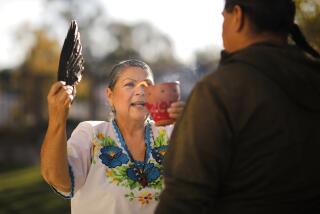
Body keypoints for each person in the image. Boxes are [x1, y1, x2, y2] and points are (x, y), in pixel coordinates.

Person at [156, 0, 320, 213]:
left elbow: (183, 198)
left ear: (238, 17)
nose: (222, 28)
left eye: (223, 18)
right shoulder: (312, 77)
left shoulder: (219, 90)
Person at [40, 59, 185, 214]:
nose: (141, 91)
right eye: (130, 84)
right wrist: (57, 119)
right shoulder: (91, 134)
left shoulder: (170, 133)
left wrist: (190, 124)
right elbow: (60, 181)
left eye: (147, 85)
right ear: (110, 95)